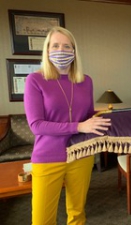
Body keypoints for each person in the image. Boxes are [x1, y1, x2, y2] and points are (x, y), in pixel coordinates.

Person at [24, 26, 111, 225]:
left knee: (77, 215)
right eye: (55, 45)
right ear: (47, 51)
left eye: (66, 46)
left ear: (74, 51)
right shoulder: (35, 80)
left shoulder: (85, 81)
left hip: (82, 153)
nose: (61, 50)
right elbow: (36, 125)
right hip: (48, 157)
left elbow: (88, 115)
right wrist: (79, 127)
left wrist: (108, 115)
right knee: (41, 221)